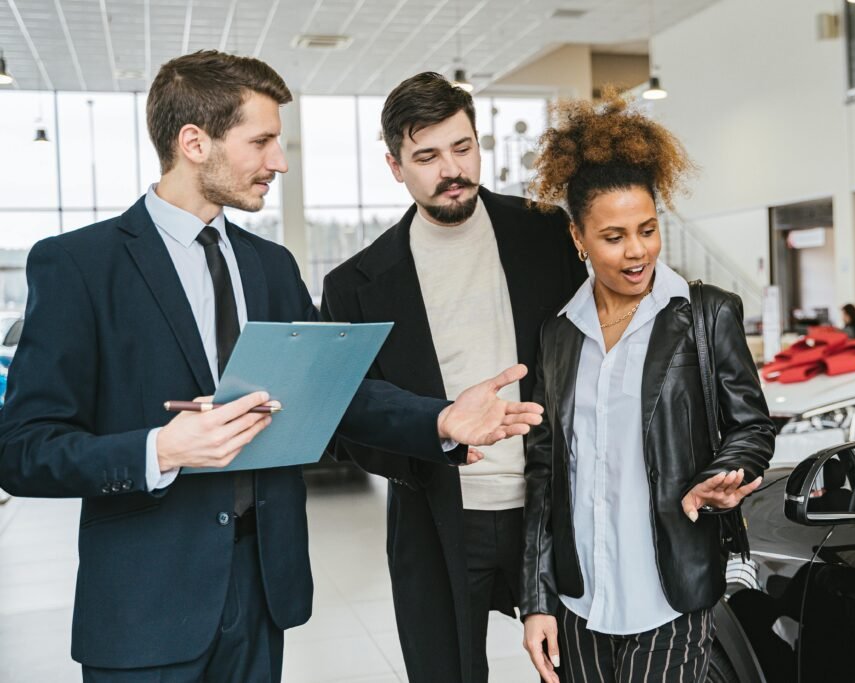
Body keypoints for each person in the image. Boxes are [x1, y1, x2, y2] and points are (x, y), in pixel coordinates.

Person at [0, 51, 545, 683]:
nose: (279, 162)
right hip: (145, 605)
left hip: (263, 591)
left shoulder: (271, 266)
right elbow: (22, 449)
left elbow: (342, 394)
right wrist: (160, 450)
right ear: (194, 142)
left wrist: (443, 419)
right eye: (261, 142)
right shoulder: (79, 266)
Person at [321, 72, 587, 683]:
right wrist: (439, 431)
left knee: (582, 671)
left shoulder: (549, 234)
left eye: (462, 147)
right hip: (436, 518)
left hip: (556, 511)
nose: (452, 169)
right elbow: (346, 419)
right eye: (427, 156)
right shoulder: (356, 285)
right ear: (395, 166)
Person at [519, 94, 775, 683]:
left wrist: (726, 474)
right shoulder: (558, 335)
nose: (637, 252)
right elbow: (544, 472)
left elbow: (751, 427)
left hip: (672, 591)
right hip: (579, 598)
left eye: (648, 230)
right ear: (578, 237)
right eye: (613, 237)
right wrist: (537, 599)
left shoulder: (707, 315)